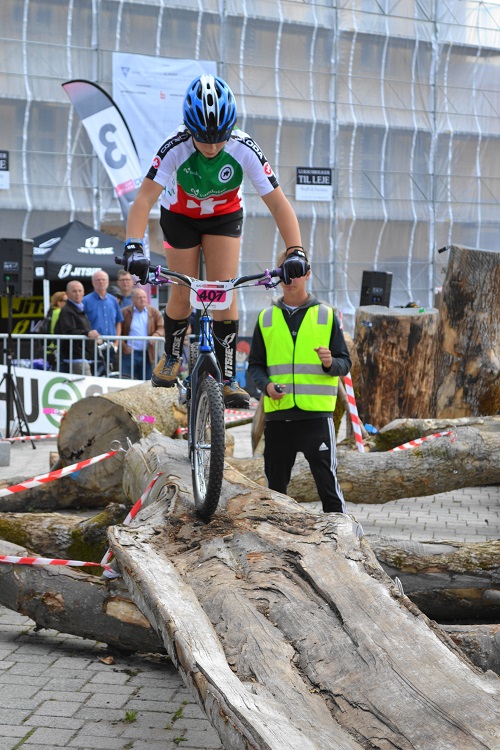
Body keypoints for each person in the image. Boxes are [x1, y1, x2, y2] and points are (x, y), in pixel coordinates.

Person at [122, 73, 307, 408]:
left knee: (224, 290)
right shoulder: (175, 145)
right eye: (203, 139)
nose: (211, 147)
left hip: (224, 216)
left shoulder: (244, 147)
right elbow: (143, 199)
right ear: (188, 129)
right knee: (183, 290)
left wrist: (296, 250)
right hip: (179, 216)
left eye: (219, 139)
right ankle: (172, 355)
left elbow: (279, 204)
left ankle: (228, 376)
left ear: (230, 129)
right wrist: (134, 246)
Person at [247, 248, 352, 514]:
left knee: (329, 488)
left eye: (296, 271)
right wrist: (266, 386)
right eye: (284, 271)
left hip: (316, 417)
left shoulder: (326, 315)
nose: (290, 278)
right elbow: (255, 366)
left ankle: (340, 533)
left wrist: (330, 363)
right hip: (278, 417)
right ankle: (274, 536)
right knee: (275, 493)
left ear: (307, 273)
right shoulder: (266, 318)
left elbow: (344, 363)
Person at [55, 281, 101, 375]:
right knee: (86, 382)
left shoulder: (80, 308)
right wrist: (87, 333)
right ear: (67, 294)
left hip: (84, 354)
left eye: (80, 291)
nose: (78, 294)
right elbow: (68, 331)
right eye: (74, 291)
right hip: (75, 356)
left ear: (83, 292)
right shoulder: (66, 310)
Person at [83, 270, 124, 374]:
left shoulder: (113, 300)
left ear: (108, 282)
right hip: (94, 346)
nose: (101, 282)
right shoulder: (85, 301)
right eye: (98, 280)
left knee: (114, 375)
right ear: (93, 283)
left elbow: (118, 322)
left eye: (103, 279)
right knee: (97, 374)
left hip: (112, 346)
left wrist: (116, 342)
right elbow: (82, 322)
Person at [120, 287, 164, 380]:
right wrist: (124, 346)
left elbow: (162, 327)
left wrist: (156, 334)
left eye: (144, 297)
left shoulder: (154, 312)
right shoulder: (125, 312)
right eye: (139, 297)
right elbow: (118, 331)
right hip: (129, 353)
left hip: (147, 353)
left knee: (146, 381)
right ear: (133, 299)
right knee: (126, 380)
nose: (142, 299)